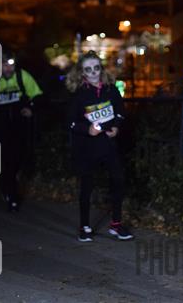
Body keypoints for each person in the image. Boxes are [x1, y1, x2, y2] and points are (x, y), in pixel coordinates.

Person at [66, 51, 134, 242]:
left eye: (96, 68)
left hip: (108, 144)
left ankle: (116, 224)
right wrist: (87, 129)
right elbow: (70, 123)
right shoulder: (79, 95)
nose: (93, 72)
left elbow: (120, 112)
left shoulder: (111, 89)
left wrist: (116, 127)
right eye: (88, 69)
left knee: (118, 180)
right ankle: (84, 226)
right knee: (87, 186)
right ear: (82, 73)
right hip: (87, 147)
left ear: (101, 69)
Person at [0, 51, 42, 212]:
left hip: (20, 125)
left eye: (11, 65)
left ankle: (7, 186)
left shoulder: (22, 76)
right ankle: (11, 196)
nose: (8, 68)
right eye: (4, 65)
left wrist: (31, 108)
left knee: (20, 159)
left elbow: (38, 95)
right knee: (7, 161)